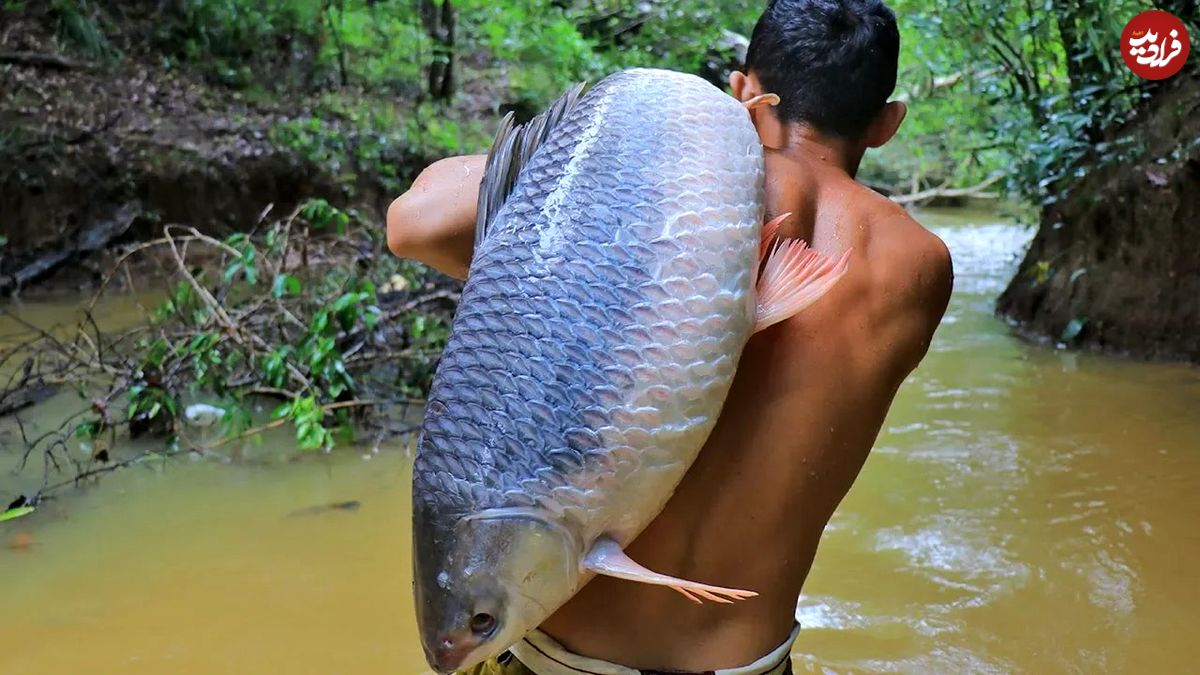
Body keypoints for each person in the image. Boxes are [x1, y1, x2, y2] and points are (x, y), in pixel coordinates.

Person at [387, 0, 953, 673]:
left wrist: (634, 130)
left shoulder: (662, 192)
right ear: (887, 123)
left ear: (746, 88)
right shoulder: (919, 269)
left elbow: (412, 222)